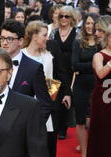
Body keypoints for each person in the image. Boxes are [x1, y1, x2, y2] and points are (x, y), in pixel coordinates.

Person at [22, 20, 61, 157]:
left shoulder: (48, 56)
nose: (47, 38)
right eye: (44, 35)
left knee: (49, 136)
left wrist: (51, 102)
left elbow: (51, 80)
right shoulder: (22, 55)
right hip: (27, 102)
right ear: (34, 36)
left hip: (45, 103)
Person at [0, 19, 53, 124]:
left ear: (20, 41)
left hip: (21, 130)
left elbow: (45, 104)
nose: (4, 42)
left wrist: (33, 130)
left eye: (9, 39)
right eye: (2, 38)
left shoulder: (33, 68)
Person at [71, 13, 99, 157]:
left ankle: (95, 153)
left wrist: (85, 66)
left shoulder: (102, 42)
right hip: (80, 85)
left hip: (98, 84)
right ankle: (84, 156)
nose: (89, 26)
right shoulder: (78, 41)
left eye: (93, 23)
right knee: (81, 120)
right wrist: (94, 64)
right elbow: (74, 65)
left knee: (93, 121)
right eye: (87, 23)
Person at [85, 25, 111, 157]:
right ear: (107, 38)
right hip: (102, 99)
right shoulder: (98, 55)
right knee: (101, 134)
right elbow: (100, 73)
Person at [51, 5, 76, 140]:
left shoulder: (76, 33)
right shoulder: (53, 33)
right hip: (55, 70)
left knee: (67, 96)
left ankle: (63, 128)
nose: (64, 18)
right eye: (61, 16)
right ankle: (55, 125)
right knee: (55, 96)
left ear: (71, 18)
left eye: (67, 16)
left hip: (71, 70)